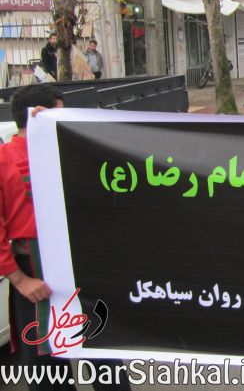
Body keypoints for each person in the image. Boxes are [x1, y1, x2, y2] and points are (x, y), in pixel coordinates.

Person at [0, 85, 131, 391]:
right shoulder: (4, 160)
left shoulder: (71, 150)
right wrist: (21, 280)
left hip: (82, 270)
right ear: (37, 116)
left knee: (105, 361)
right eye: (59, 113)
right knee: (47, 373)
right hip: (35, 280)